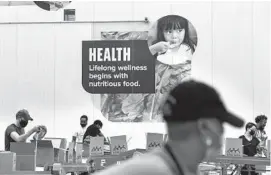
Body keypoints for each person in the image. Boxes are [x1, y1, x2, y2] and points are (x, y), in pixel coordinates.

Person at [93, 80, 244, 175]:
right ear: (204, 128)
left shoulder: (180, 167)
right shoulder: (152, 170)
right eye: (220, 127)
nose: (222, 134)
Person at [121, 15, 197, 122]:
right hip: (153, 102)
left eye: (179, 30)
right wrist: (154, 49)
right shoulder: (158, 50)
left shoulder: (189, 50)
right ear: (162, 32)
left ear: (186, 31)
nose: (174, 36)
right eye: (169, 32)